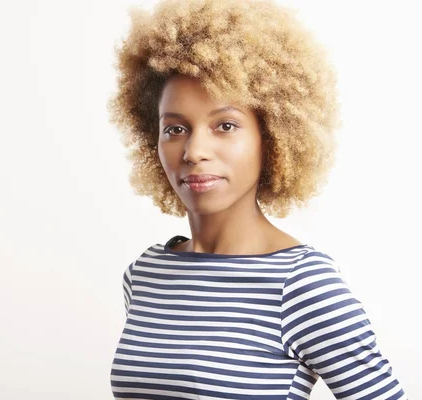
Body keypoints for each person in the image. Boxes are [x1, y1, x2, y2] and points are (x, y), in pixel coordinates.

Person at [107, 0, 408, 398]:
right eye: (175, 129)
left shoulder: (302, 283)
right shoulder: (146, 274)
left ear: (273, 138)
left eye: (225, 125)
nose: (194, 151)